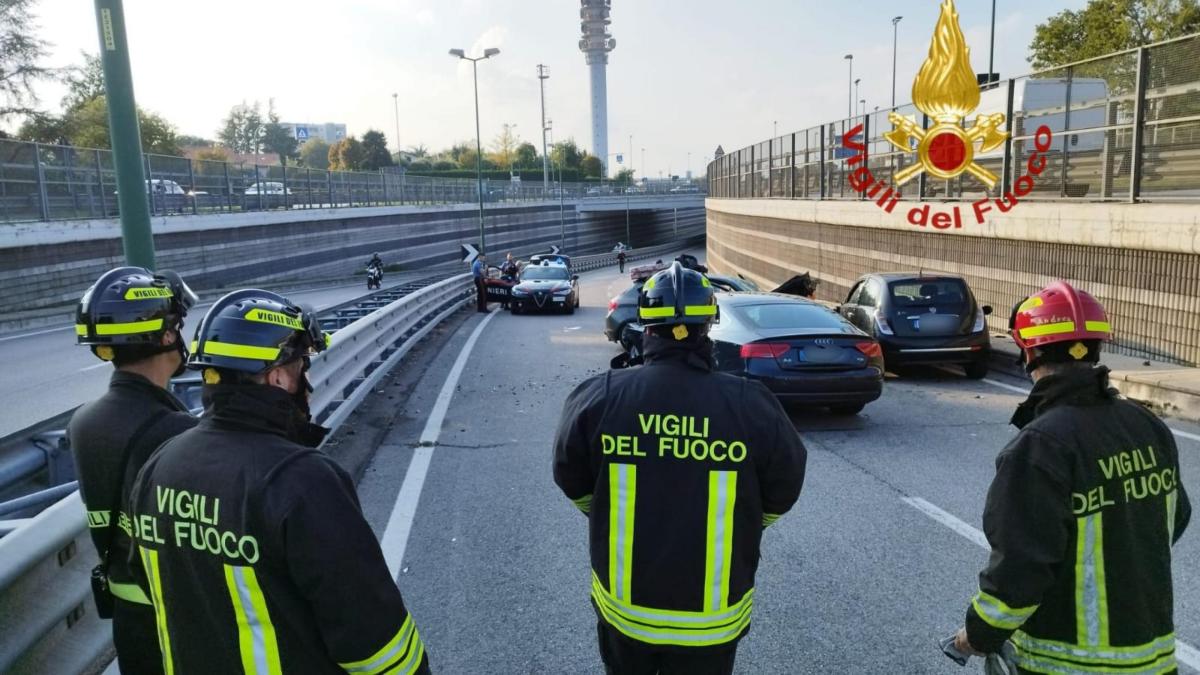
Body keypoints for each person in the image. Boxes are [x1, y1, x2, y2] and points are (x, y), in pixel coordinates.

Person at [128, 290, 429, 674]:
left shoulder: (160, 463)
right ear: (277, 377)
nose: (307, 379)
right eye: (302, 365)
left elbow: (150, 583)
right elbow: (377, 643)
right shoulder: (303, 481)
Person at [553, 262, 807, 675]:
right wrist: (747, 521)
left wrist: (599, 508)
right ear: (709, 326)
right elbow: (786, 482)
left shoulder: (599, 397)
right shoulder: (750, 404)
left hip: (625, 615)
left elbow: (569, 473)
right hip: (712, 623)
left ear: (645, 328)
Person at [953, 281, 1190, 673]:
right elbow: (1172, 520)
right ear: (1096, 349)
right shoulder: (1147, 426)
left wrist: (977, 635)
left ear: (1028, 351)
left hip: (1066, 663)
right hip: (1153, 658)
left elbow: (1020, 571)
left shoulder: (1039, 446)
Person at [68, 266, 198, 675]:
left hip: (128, 618)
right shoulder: (177, 430)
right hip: (178, 617)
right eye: (178, 325)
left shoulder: (83, 422)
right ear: (165, 336)